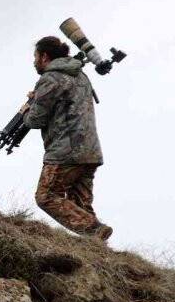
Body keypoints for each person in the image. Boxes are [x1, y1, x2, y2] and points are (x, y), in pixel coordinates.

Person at [23, 36, 113, 240]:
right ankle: (97, 251)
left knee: (46, 196)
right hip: (90, 151)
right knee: (80, 205)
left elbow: (35, 120)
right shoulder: (80, 75)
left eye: (35, 56)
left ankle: (95, 229)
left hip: (66, 152)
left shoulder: (51, 78)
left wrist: (27, 109)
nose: (34, 61)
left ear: (44, 56)